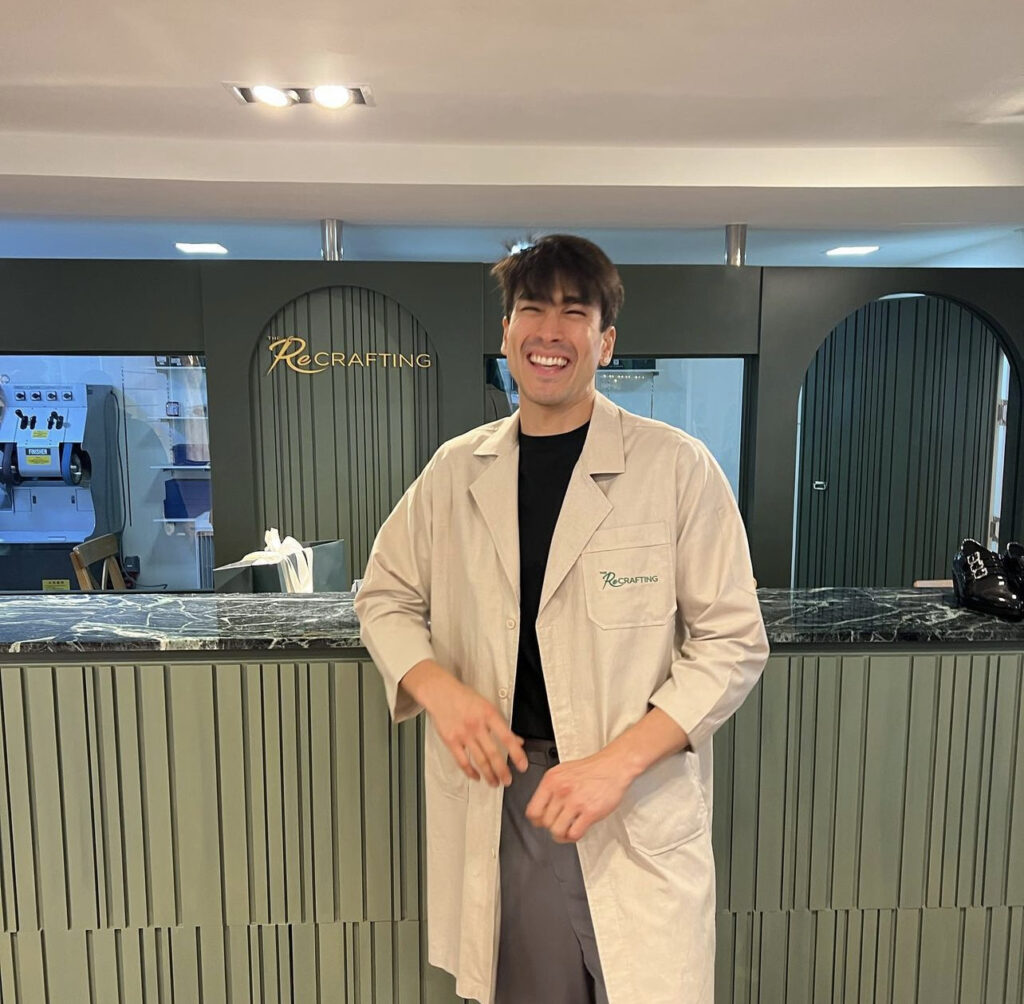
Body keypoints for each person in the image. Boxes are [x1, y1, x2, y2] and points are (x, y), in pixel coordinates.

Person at [354, 234, 769, 1004]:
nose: (550, 331)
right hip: (508, 800)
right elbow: (383, 595)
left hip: (633, 793)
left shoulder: (676, 468)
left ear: (604, 342)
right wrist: (442, 693)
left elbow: (733, 641)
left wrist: (615, 765)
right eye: (531, 310)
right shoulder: (455, 471)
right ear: (507, 332)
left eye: (575, 313)